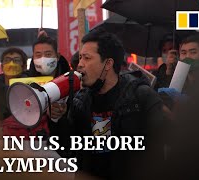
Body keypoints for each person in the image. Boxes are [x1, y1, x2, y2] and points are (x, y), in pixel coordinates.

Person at [57, 30, 165, 179]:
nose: (80, 65)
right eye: (80, 57)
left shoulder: (140, 96)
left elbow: (163, 145)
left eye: (87, 58)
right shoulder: (79, 102)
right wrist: (57, 120)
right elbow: (66, 150)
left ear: (108, 63)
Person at [0, 47, 28, 120]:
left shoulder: (31, 88)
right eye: (7, 60)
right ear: (2, 66)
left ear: (24, 66)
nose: (11, 64)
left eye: (16, 60)